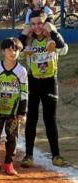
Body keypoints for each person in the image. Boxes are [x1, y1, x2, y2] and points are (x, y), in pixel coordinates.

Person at [19, 10, 69, 167]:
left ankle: (56, 154)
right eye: (33, 24)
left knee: (50, 120)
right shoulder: (28, 40)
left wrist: (52, 30)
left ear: (46, 22)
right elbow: (16, 51)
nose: (37, 27)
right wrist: (23, 34)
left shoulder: (52, 38)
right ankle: (28, 155)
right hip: (33, 82)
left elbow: (63, 49)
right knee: (32, 119)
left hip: (49, 82)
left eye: (40, 23)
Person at [0, 38, 27, 176]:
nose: (13, 52)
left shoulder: (21, 70)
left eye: (16, 50)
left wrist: (22, 112)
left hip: (13, 111)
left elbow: (24, 92)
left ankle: (8, 163)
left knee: (12, 137)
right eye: (9, 49)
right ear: (3, 51)